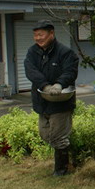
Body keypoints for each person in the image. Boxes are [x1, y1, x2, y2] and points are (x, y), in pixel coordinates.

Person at [24, 20, 79, 176]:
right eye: (35, 35)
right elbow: (30, 70)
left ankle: (62, 170)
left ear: (51, 33)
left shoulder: (65, 52)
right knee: (45, 134)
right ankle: (70, 161)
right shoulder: (32, 52)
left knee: (59, 136)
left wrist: (59, 84)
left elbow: (70, 72)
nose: (38, 38)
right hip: (42, 100)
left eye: (41, 35)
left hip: (61, 101)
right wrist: (45, 86)